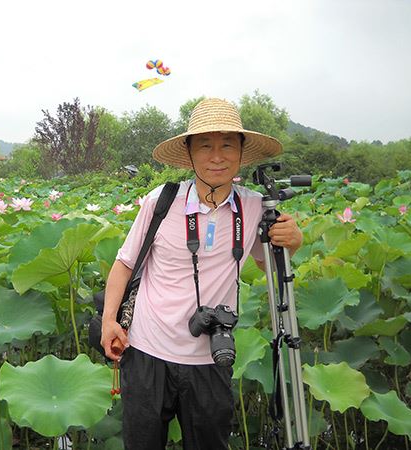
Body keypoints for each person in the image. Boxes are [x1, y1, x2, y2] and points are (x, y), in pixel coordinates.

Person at [100, 98, 303, 450]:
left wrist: (293, 242)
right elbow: (125, 263)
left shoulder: (253, 206)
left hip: (211, 355)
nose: (217, 156)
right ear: (189, 153)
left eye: (227, 145)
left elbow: (264, 262)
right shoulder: (161, 201)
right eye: (205, 145)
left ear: (241, 152)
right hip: (147, 352)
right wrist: (108, 321)